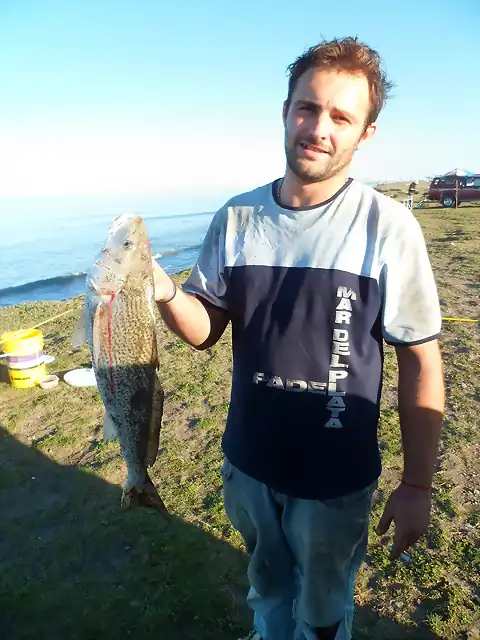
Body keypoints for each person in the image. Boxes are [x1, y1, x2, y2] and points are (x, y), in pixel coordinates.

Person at [152, 37, 445, 640]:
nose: (319, 128)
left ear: (364, 134)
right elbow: (206, 330)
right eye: (308, 108)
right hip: (249, 463)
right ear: (285, 111)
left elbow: (420, 359)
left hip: (335, 478)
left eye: (341, 116)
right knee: (268, 589)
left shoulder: (387, 226)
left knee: (321, 603)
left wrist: (417, 484)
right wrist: (161, 291)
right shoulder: (236, 217)